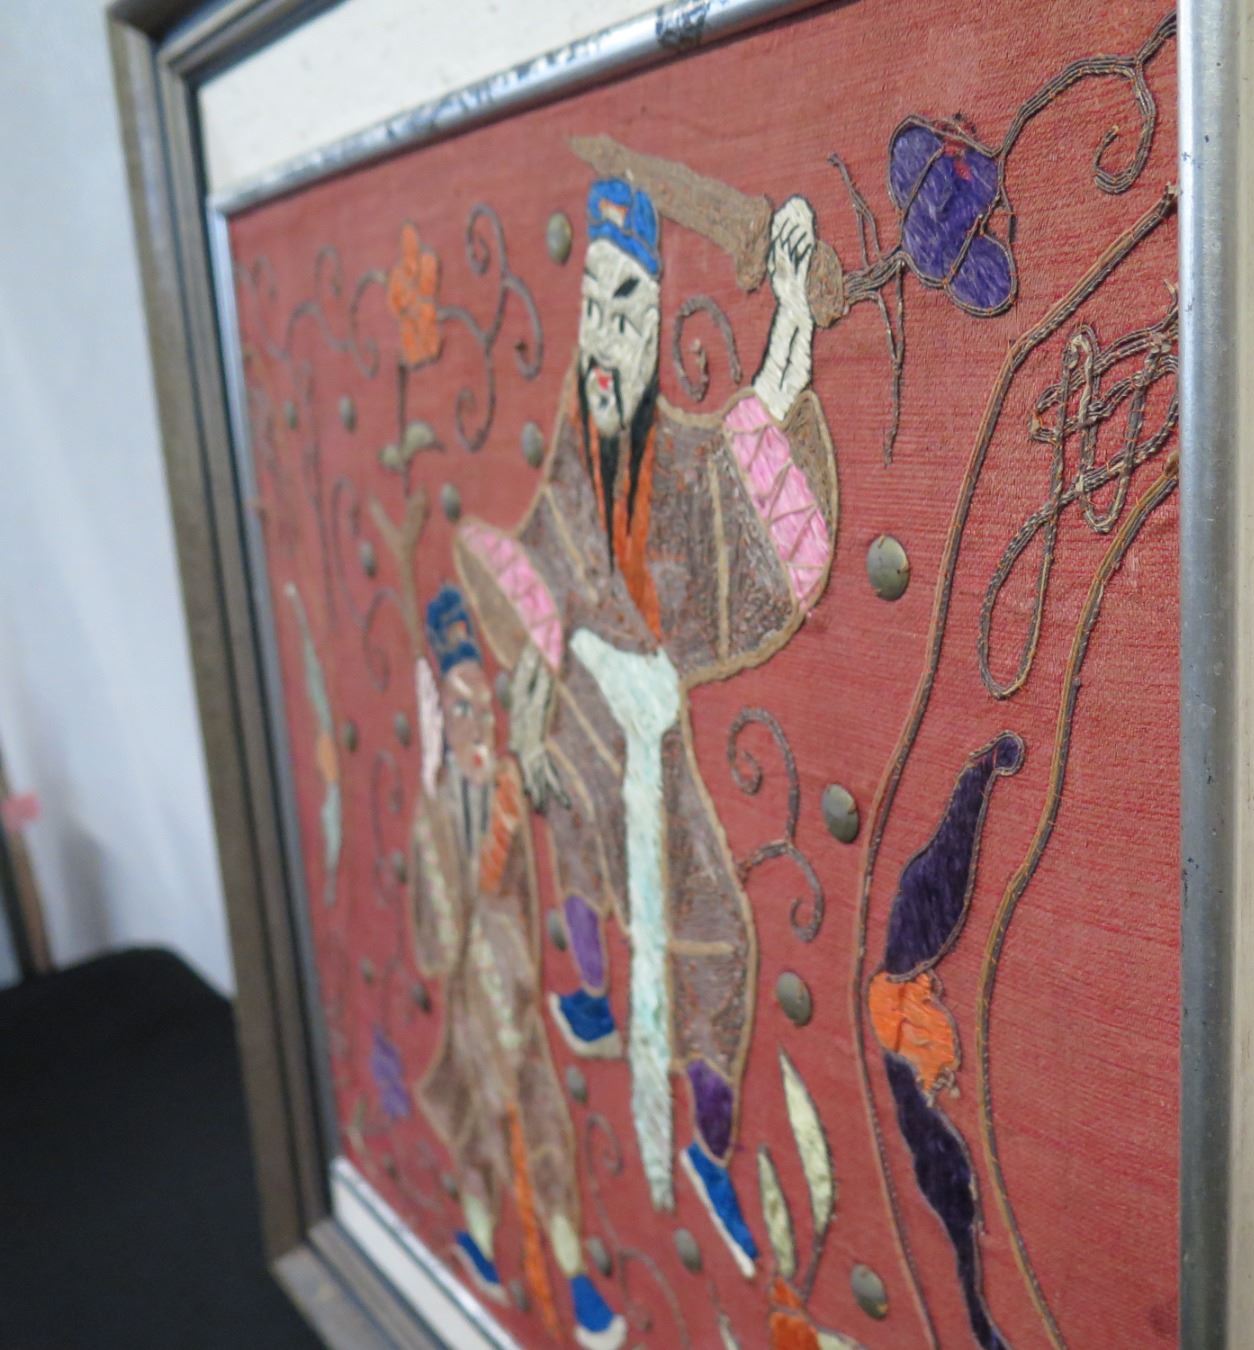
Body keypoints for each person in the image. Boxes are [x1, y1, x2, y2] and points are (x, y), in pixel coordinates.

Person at [454, 169, 835, 1280]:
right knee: (569, 823)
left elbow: (751, 433)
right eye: (594, 309)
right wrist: (535, 706)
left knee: (718, 945)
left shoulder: (672, 454)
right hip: (580, 708)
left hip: (649, 732)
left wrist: (795, 309)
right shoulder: (574, 440)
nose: (607, 336)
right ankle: (587, 989)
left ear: (655, 322)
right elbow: (536, 566)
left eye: (628, 312)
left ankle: (709, 1152)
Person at [409, 585, 624, 1349]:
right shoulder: (437, 813)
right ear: (443, 721)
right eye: (460, 712)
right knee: (481, 1142)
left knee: (544, 1140)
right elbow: (431, 943)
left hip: (517, 1009)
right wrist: (437, 838)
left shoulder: (505, 789)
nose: (477, 727)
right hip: (473, 1018)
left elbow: (529, 905)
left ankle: (575, 1282)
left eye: (483, 709)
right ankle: (481, 1243)